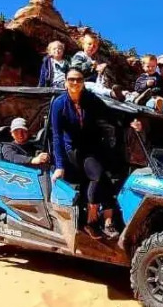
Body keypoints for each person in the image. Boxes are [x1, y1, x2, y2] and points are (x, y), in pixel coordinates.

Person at [50, 67, 119, 238]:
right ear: (66, 82)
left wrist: (133, 122)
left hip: (92, 146)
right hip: (73, 149)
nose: (75, 83)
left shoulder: (90, 99)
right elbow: (56, 136)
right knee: (97, 175)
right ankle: (92, 220)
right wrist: (59, 165)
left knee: (108, 179)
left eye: (79, 79)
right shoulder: (59, 103)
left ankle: (108, 222)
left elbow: (109, 116)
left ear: (83, 82)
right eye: (71, 79)